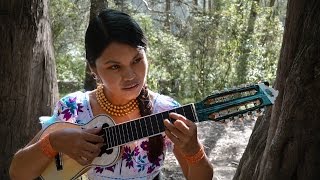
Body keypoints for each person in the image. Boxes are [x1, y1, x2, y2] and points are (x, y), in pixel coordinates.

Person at [9, 9, 213, 180]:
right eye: (115, 66)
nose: (130, 75)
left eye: (136, 60)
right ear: (93, 69)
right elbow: (18, 172)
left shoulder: (165, 110)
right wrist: (53, 142)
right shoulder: (73, 108)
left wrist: (193, 151)